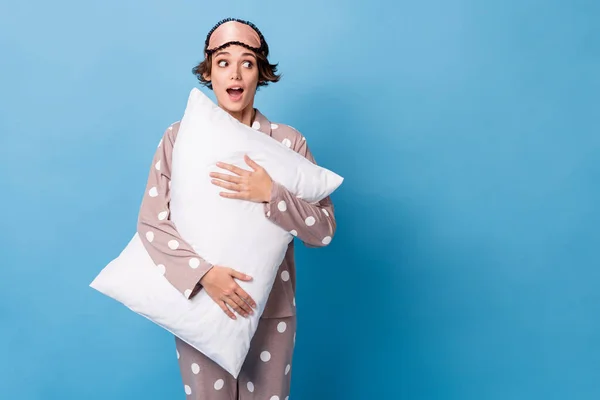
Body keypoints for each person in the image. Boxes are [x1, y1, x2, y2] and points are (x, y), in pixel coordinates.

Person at [136, 18, 337, 399]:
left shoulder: (288, 143)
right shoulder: (178, 138)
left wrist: (271, 193)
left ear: (260, 72)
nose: (236, 73)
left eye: (247, 61)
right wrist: (205, 275)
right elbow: (151, 223)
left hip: (271, 311)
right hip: (200, 306)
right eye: (224, 61)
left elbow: (323, 230)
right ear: (208, 70)